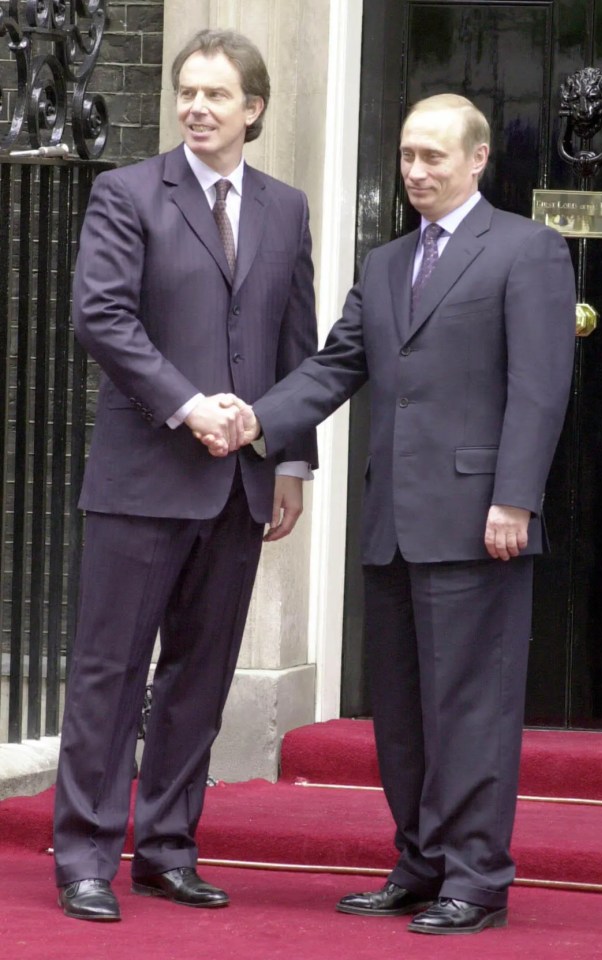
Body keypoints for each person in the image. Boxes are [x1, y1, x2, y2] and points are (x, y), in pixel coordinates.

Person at [205, 93, 576, 936]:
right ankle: (419, 864)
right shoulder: (383, 263)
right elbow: (335, 366)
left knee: (471, 711)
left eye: (434, 157)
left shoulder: (528, 250)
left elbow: (541, 387)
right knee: (404, 715)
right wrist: (258, 420)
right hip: (393, 525)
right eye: (408, 156)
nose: (416, 171)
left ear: (477, 159)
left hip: (482, 520)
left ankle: (476, 880)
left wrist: (514, 496)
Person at [53, 29, 318, 922]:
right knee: (110, 673)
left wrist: (290, 461)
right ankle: (87, 853)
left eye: (215, 95)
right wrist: (188, 404)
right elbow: (102, 317)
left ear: (254, 108)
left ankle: (167, 848)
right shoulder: (126, 193)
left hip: (242, 487)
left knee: (197, 679)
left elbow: (295, 344)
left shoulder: (286, 209)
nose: (196, 108)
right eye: (186, 93)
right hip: (142, 479)